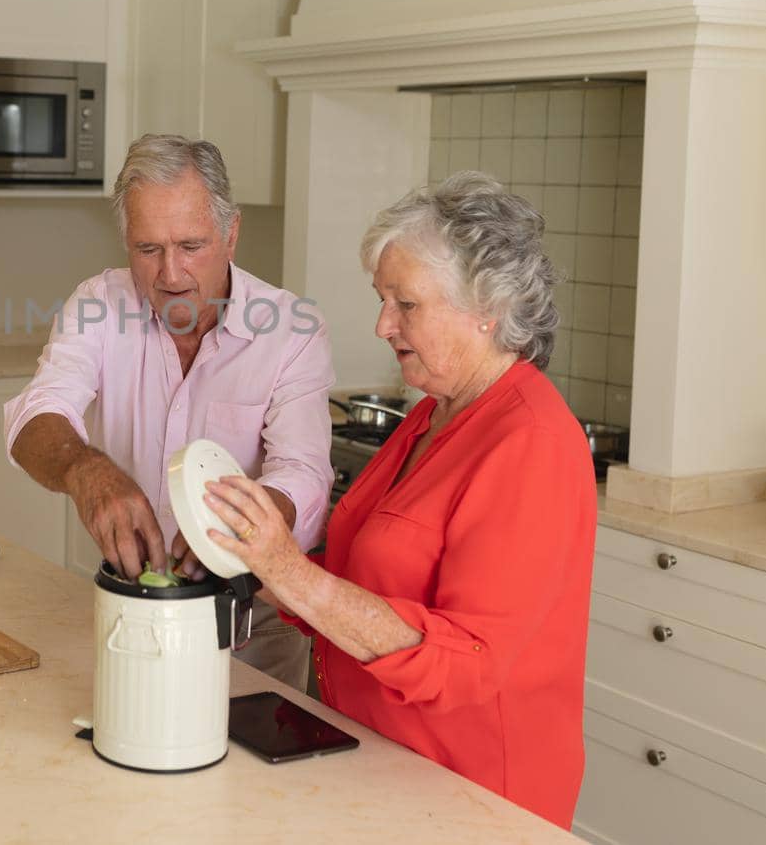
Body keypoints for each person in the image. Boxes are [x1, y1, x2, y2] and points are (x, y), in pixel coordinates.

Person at [201, 171, 596, 828]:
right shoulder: (434, 413)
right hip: (383, 768)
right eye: (383, 299)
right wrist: (253, 562)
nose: (383, 323)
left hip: (474, 798)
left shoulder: (529, 440)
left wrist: (288, 568)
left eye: (405, 303)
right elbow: (365, 583)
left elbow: (467, 663)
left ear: (485, 308)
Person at [4, 134, 334, 689]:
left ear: (232, 235)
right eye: (148, 249)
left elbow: (303, 475)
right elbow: (37, 413)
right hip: (133, 604)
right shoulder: (99, 305)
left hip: (253, 617)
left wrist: (237, 527)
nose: (171, 275)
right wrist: (84, 469)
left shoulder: (291, 331)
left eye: (191, 245)